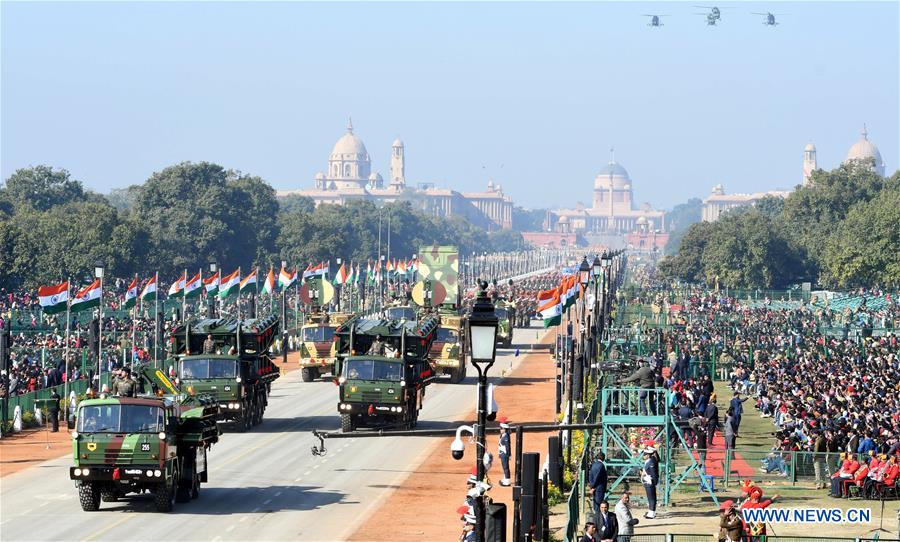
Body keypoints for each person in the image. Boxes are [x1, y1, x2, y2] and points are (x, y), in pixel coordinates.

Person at [588, 452, 608, 517]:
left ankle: (597, 517)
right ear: (603, 458)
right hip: (599, 488)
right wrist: (593, 486)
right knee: (599, 505)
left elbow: (590, 475)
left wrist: (591, 485)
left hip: (595, 487)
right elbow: (597, 476)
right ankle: (598, 519)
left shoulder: (593, 465)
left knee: (596, 503)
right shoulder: (601, 466)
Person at [641, 446, 659, 519]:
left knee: (651, 497)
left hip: (650, 481)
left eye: (645, 454)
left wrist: (653, 481)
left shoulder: (651, 461)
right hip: (648, 481)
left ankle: (651, 513)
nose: (644, 456)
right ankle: (650, 511)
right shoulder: (651, 460)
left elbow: (653, 473)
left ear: (648, 454)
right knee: (650, 497)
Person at [498, 417, 512, 486]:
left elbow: (507, 446)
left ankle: (507, 481)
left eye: (501, 428)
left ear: (504, 429)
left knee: (506, 467)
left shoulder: (506, 436)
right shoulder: (503, 435)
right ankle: (505, 478)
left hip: (505, 454)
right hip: (502, 453)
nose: (500, 430)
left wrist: (509, 454)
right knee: (504, 467)